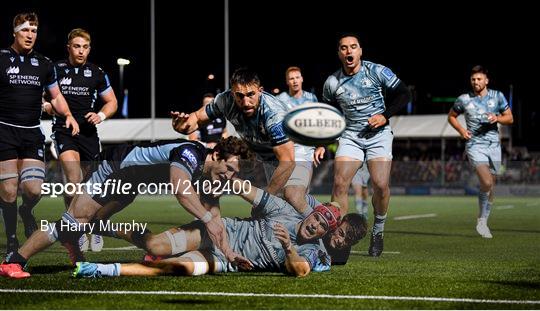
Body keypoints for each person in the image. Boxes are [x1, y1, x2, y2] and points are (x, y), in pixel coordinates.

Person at [0, 137, 254, 278]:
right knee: (74, 221)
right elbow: (181, 189)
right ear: (217, 156)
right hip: (114, 167)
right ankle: (14, 260)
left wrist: (229, 253)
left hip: (132, 182)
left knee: (90, 223)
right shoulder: (190, 154)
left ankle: (72, 241)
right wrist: (206, 216)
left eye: (235, 174)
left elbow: (216, 217)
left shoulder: (212, 178)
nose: (229, 177)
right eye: (229, 169)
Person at [73, 184, 344, 278]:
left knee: (170, 268)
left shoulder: (312, 251)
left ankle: (102, 270)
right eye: (317, 219)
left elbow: (299, 270)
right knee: (154, 246)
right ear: (311, 213)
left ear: (324, 233)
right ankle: (103, 226)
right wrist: (228, 182)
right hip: (218, 232)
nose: (315, 226)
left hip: (223, 261)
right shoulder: (284, 210)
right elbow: (248, 191)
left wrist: (288, 247)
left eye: (322, 227)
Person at [322, 33, 411, 257]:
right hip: (351, 136)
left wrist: (385, 115)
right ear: (339, 53)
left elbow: (404, 94)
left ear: (360, 51)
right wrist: (322, 141)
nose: (349, 51)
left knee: (380, 185)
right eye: (344, 48)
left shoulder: (377, 71)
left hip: (378, 135)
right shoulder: (332, 82)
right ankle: (338, 238)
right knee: (340, 184)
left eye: (353, 47)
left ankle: (378, 231)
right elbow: (328, 114)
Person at [0, 12, 79, 254]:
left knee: (34, 189)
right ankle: (13, 239)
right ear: (15, 31)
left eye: (34, 31)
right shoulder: (1, 59)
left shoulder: (44, 64)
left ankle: (27, 209)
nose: (30, 35)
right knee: (9, 190)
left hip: (32, 132)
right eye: (25, 30)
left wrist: (68, 115)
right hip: (4, 130)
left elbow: (56, 96)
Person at [172, 68, 300, 210]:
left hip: (294, 151)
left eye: (250, 94)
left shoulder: (274, 117)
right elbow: (196, 118)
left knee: (292, 197)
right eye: (239, 96)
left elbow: (288, 162)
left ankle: (324, 218)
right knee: (218, 166)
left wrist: (263, 202)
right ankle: (211, 221)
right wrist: (184, 126)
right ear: (232, 94)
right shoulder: (225, 100)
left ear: (260, 91)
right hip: (259, 151)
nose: (245, 102)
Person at [45, 28, 118, 252]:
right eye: (77, 46)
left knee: (90, 186)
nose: (81, 51)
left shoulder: (96, 72)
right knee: (73, 180)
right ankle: (75, 231)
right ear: (68, 47)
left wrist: (101, 115)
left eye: (85, 47)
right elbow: (42, 97)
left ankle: (92, 228)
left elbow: (112, 102)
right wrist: (47, 106)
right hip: (64, 131)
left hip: (88, 134)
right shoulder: (55, 69)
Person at [448, 65, 513, 238]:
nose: (476, 82)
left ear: (486, 80)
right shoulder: (463, 99)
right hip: (474, 145)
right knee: (486, 181)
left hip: (494, 146)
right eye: (473, 79)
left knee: (491, 184)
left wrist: (497, 118)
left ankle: (483, 220)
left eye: (479, 79)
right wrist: (462, 131)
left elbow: (510, 118)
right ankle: (482, 221)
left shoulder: (497, 96)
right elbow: (451, 116)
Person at [276, 66, 326, 209]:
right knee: (286, 193)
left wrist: (321, 145)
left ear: (302, 79)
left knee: (301, 191)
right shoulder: (280, 100)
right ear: (287, 81)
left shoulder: (311, 98)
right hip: (287, 151)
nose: (295, 81)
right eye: (291, 78)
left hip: (306, 151)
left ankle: (311, 217)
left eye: (297, 77)